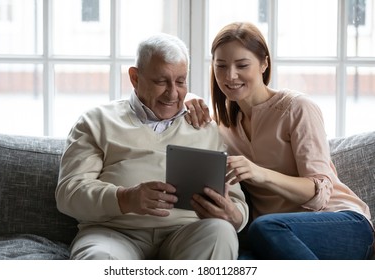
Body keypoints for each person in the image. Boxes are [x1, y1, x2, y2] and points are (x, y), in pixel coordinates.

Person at [185, 22, 374, 260]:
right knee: (239, 261)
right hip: (274, 238)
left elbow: (320, 194)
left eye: (242, 65)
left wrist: (259, 173)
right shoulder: (222, 128)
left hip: (341, 223)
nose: (230, 76)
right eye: (220, 66)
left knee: (265, 227)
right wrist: (188, 99)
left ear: (264, 63)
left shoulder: (297, 108)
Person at [55, 33, 248, 260]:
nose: (173, 93)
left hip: (186, 233)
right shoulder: (96, 121)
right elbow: (68, 193)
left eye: (180, 81)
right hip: (114, 233)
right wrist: (126, 198)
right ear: (135, 78)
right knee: (98, 258)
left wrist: (233, 215)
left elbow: (237, 202)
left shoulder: (204, 126)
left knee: (221, 232)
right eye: (161, 81)